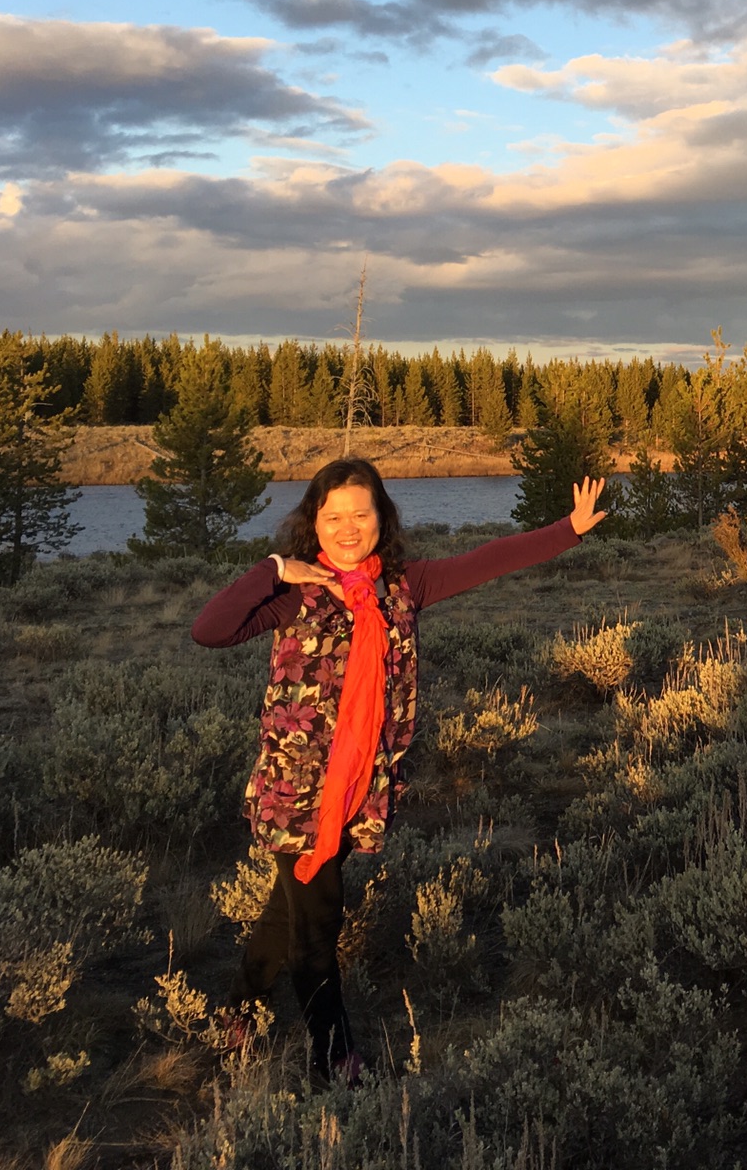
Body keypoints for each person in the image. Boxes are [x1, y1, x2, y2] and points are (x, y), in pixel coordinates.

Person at [192, 457, 608, 1085]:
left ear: (382, 519)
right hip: (298, 793)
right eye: (333, 516)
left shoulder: (404, 587)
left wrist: (567, 530)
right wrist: (275, 568)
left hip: (360, 788)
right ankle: (336, 1063)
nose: (348, 527)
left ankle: (236, 1014)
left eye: (361, 514)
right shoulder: (294, 595)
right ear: (315, 522)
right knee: (318, 928)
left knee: (290, 911)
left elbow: (488, 559)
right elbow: (209, 630)